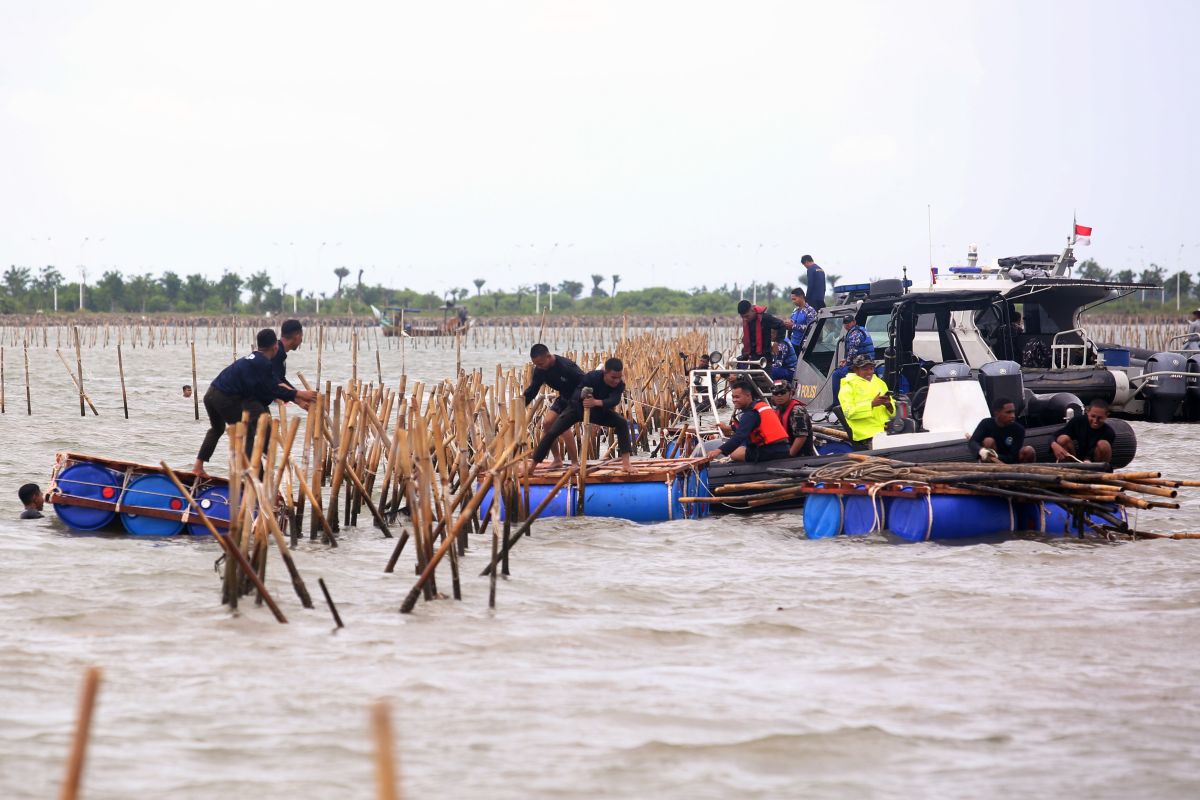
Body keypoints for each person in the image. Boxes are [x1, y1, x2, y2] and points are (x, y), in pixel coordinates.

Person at [192, 329, 318, 478]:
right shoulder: (263, 363)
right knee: (248, 432)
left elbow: (270, 388)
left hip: (211, 395)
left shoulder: (252, 358)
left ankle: (198, 467)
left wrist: (296, 398)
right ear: (275, 347)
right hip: (224, 398)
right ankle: (252, 477)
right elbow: (273, 388)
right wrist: (300, 394)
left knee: (217, 429)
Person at [529, 357, 632, 472]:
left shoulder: (620, 385)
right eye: (613, 377)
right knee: (552, 431)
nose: (616, 381)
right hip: (577, 409)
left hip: (598, 411)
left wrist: (595, 402)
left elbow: (614, 400)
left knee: (622, 423)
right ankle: (532, 466)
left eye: (619, 377)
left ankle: (626, 464)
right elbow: (576, 394)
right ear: (604, 373)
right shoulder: (592, 377)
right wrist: (582, 396)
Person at [522, 343, 585, 468]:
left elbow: (585, 381)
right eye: (536, 365)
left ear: (548, 356)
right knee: (547, 423)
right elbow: (533, 389)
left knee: (563, 426)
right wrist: (520, 405)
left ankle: (575, 463)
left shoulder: (566, 366)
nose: (538, 367)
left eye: (540, 364)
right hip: (563, 397)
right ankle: (557, 460)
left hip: (577, 399)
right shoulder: (540, 370)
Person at [702, 379, 790, 463]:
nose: (734, 400)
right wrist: (726, 428)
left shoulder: (751, 414)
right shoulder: (760, 406)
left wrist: (718, 451)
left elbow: (739, 436)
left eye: (737, 397)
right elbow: (745, 427)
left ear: (748, 396)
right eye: (733, 397)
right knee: (742, 448)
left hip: (772, 450)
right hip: (782, 447)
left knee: (735, 454)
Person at [837, 355, 893, 448]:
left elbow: (892, 410)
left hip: (888, 431)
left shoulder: (879, 383)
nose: (869, 372)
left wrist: (889, 405)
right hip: (867, 437)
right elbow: (849, 412)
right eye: (865, 369)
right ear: (856, 370)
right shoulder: (848, 387)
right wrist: (871, 404)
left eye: (871, 369)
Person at [968, 397, 1036, 464]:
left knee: (1029, 450)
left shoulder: (1018, 429)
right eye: (1008, 412)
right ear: (997, 413)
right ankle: (989, 471)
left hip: (1009, 461)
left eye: (1013, 412)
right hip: (990, 461)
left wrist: (996, 456)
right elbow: (972, 442)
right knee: (988, 441)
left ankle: (1026, 473)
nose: (1013, 416)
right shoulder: (986, 423)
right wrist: (981, 451)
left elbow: (1013, 456)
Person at [1051, 398, 1116, 463]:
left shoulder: (1109, 432)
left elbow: (1094, 449)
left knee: (1104, 445)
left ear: (1106, 416)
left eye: (1100, 418)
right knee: (1062, 438)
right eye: (1093, 416)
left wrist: (1088, 460)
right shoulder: (1077, 421)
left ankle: (1101, 471)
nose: (1095, 421)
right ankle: (1070, 468)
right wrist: (1054, 445)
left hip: (1095, 462)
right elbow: (1055, 435)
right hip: (1076, 459)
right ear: (1087, 412)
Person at [830, 315, 876, 399]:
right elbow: (853, 351)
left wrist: (847, 362)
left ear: (854, 322)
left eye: (849, 322)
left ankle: (836, 403)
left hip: (862, 364)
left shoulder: (855, 333)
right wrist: (846, 360)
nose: (847, 325)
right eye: (845, 323)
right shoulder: (861, 329)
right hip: (867, 361)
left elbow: (853, 351)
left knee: (836, 374)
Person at [770, 381, 815, 457]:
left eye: (783, 392)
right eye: (776, 393)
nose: (779, 396)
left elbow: (801, 437)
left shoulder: (797, 411)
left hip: (801, 457)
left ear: (791, 393)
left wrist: (789, 456)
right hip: (784, 451)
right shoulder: (777, 410)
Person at [272, 319, 310, 410]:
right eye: (301, 336)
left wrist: (299, 399)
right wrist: (300, 397)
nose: (301, 340)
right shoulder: (276, 352)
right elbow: (276, 383)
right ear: (297, 336)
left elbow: (281, 380)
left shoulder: (278, 350)